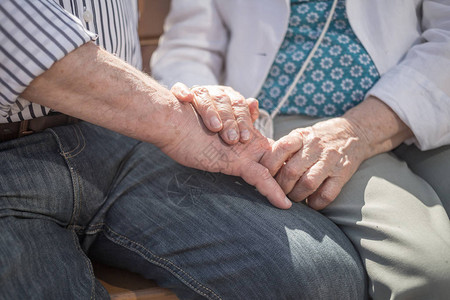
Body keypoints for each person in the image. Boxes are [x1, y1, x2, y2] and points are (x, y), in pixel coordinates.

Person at [0, 1, 367, 299]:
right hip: (15, 160)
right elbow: (16, 33)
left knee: (323, 276)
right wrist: (174, 121)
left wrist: (202, 104)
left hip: (124, 134)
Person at [151, 0, 450, 299]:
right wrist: (211, 102)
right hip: (294, 125)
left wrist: (360, 128)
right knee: (425, 271)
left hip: (425, 97)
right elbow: (190, 48)